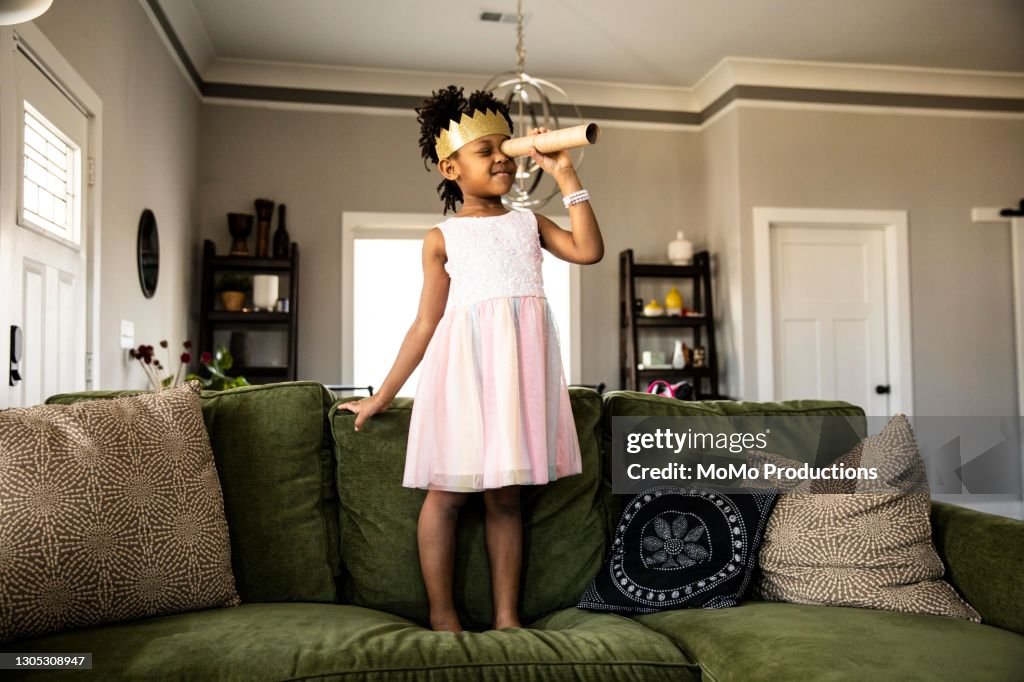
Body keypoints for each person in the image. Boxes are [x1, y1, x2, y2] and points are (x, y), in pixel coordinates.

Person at [338, 85, 604, 633]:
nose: (503, 158)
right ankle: (443, 614)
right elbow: (424, 324)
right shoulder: (442, 238)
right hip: (462, 381)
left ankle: (508, 618)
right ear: (450, 167)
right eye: (487, 152)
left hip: (517, 383)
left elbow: (588, 251)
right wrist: (381, 397)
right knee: (447, 496)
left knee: (505, 499)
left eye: (506, 148)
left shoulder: (527, 224)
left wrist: (566, 176)